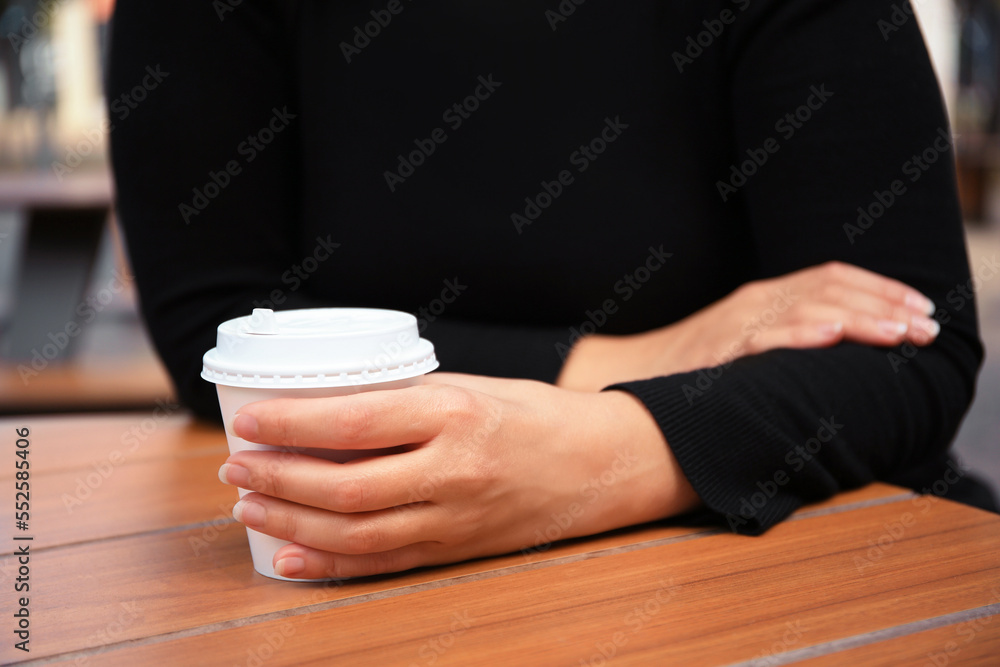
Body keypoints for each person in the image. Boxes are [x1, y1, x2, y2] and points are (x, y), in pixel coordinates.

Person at [106, 0, 992, 580]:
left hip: (800, 546)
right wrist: (655, 357)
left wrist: (601, 457)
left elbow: (912, 341)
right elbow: (220, 325)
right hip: (350, 559)